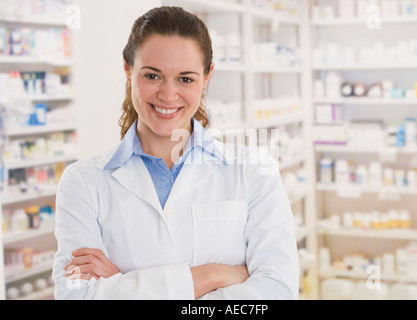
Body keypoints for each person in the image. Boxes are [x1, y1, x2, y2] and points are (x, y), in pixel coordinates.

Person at [52, 6, 299, 300]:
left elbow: (277, 292)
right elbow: (77, 296)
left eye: (185, 79)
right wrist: (215, 275)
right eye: (153, 76)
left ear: (207, 77)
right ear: (128, 69)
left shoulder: (255, 171)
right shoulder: (82, 182)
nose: (168, 95)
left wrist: (123, 285)